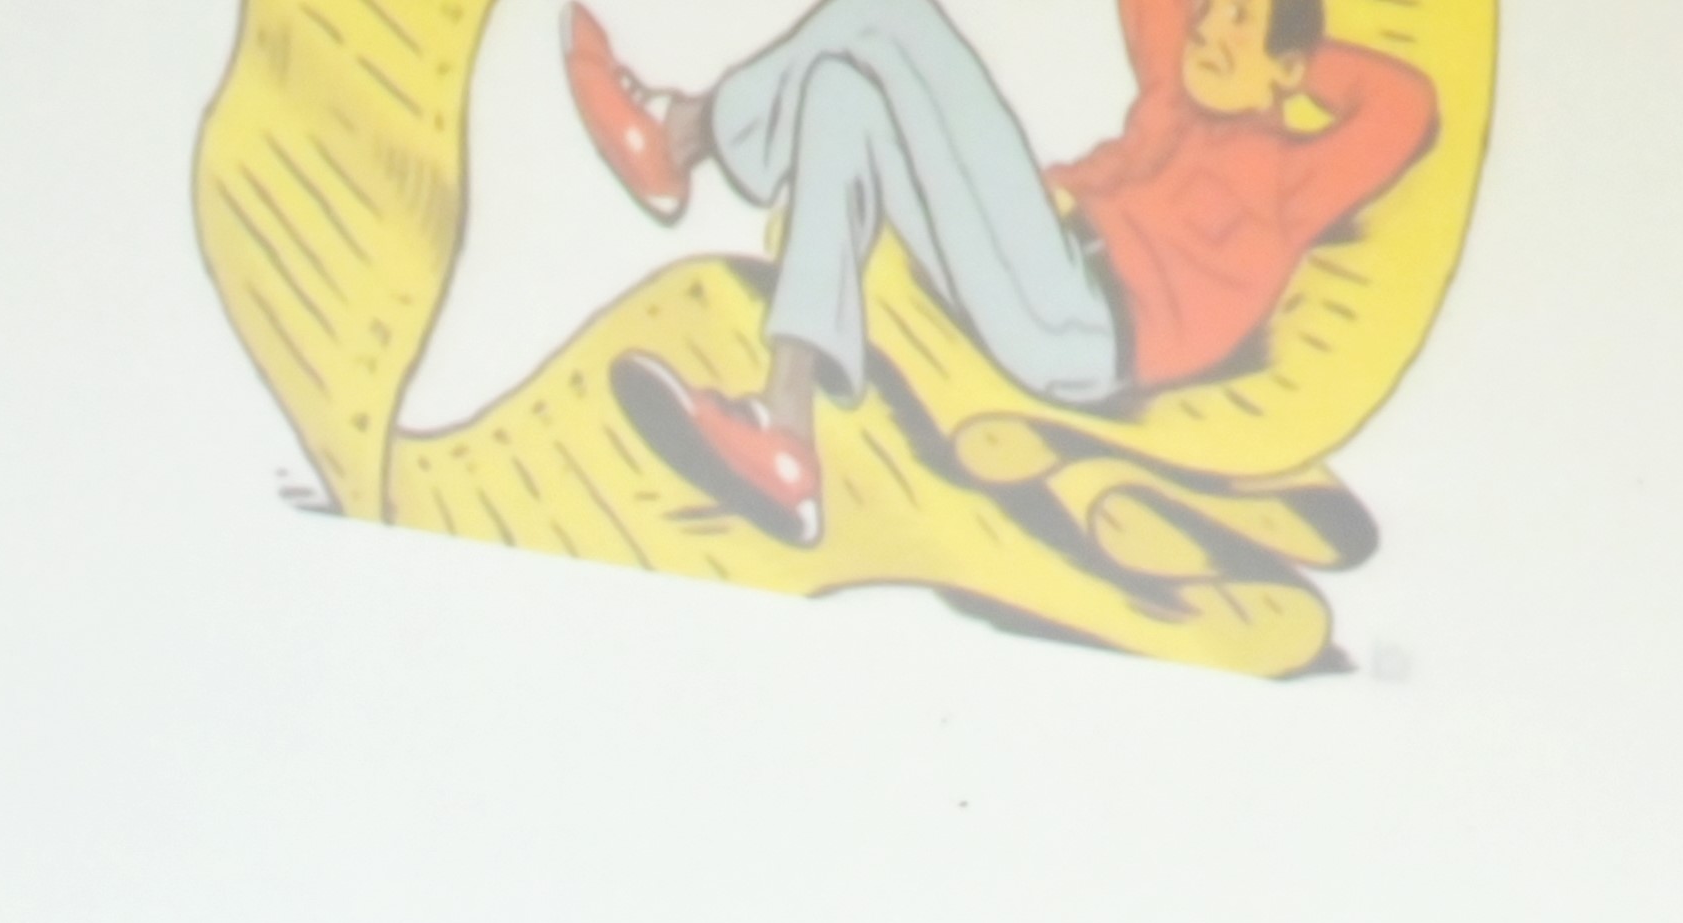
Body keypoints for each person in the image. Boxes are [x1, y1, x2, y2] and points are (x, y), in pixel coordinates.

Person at [570, 0, 1437, 547]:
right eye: (1209, 14)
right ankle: (787, 435)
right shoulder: (1174, 91)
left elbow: (1407, 106)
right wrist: (1245, 27)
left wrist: (1294, 36)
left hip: (1087, 322)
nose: (1209, 34)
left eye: (1238, 24)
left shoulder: (1295, 179)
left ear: (1289, 69)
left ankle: (677, 139)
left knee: (889, 12)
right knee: (841, 94)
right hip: (1032, 271)